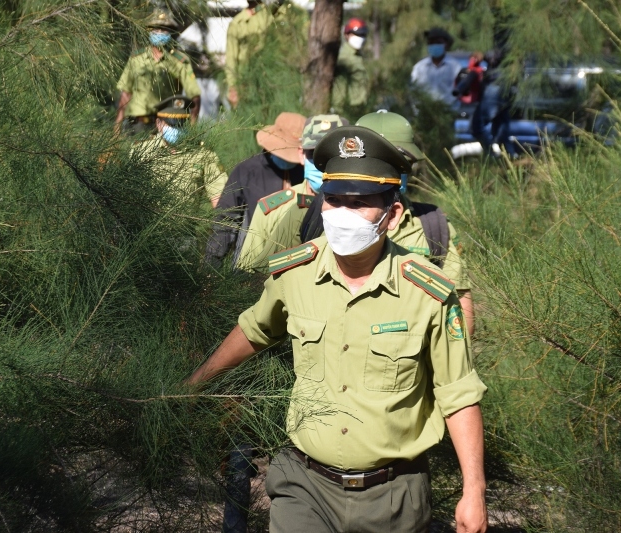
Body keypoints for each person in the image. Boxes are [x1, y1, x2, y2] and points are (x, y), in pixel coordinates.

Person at [188, 125, 488, 533]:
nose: (342, 214)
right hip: (304, 487)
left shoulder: (428, 293)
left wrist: (474, 491)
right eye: (334, 200)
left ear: (392, 214)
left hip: (394, 496)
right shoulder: (295, 272)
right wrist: (196, 383)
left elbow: (458, 393)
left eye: (359, 202)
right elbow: (254, 329)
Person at [248, 111, 476, 334]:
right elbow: (259, 296)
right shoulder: (309, 215)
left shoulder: (432, 224)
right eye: (383, 160)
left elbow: (459, 305)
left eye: (400, 161)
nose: (392, 170)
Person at [236, 114, 350, 272]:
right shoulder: (272, 210)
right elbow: (248, 277)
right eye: (315, 155)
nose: (323, 165)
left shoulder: (365, 212)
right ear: (301, 154)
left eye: (332, 156)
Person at [204, 112, 306, 268]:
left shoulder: (308, 174)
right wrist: (212, 265)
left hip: (299, 260)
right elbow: (225, 219)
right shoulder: (248, 171)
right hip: (253, 262)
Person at [130, 96, 228, 208]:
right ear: (159, 123)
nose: (177, 129)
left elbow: (220, 200)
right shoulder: (141, 151)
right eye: (172, 124)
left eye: (181, 124)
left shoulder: (203, 154)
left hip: (188, 224)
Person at [115, 11, 201, 136]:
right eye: (156, 29)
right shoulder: (136, 58)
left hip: (168, 125)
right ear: (149, 31)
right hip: (137, 125)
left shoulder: (180, 61)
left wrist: (193, 129)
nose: (160, 32)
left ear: (171, 32)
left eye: (164, 29)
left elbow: (195, 96)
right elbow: (125, 93)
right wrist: (116, 128)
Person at [225, 1, 274, 109]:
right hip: (245, 82)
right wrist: (233, 87)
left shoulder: (271, 15)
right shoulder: (237, 23)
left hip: (271, 80)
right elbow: (231, 59)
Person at [410, 27, 462, 106]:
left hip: (448, 110)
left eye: (438, 42)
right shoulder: (419, 67)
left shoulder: (455, 67)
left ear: (446, 45)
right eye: (431, 43)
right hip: (423, 110)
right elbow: (413, 90)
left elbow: (458, 91)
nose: (434, 45)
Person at [330, 18, 369, 114]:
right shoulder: (344, 57)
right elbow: (340, 87)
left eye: (362, 35)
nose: (360, 38)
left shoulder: (360, 57)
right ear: (347, 35)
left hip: (361, 109)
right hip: (348, 110)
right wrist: (338, 111)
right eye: (356, 34)